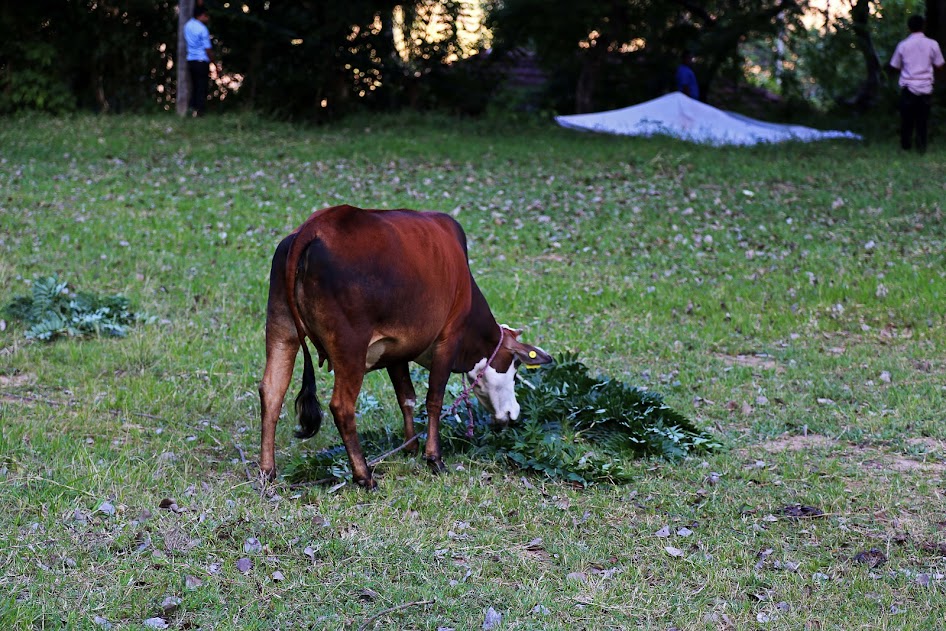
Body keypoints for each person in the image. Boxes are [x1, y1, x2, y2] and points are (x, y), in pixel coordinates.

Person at [889, 15, 945, 153]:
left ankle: (906, 147)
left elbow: (895, 66)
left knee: (906, 121)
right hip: (925, 87)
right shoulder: (932, 44)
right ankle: (921, 148)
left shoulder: (903, 45)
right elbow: (940, 64)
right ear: (924, 26)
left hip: (908, 87)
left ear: (909, 27)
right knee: (922, 121)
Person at [184, 6, 221, 117]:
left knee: (194, 86)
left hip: (191, 60)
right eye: (206, 15)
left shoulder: (187, 25)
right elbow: (208, 49)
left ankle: (191, 108)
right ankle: (200, 111)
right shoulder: (202, 29)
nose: (207, 18)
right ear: (201, 16)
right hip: (201, 60)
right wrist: (214, 63)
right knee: (202, 87)